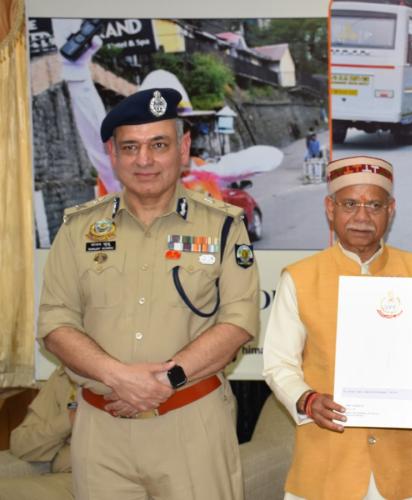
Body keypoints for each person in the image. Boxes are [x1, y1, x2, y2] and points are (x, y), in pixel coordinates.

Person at [38, 87, 260, 500]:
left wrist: (166, 379)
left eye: (158, 144)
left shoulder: (222, 226)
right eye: (131, 147)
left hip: (191, 426)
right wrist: (119, 377)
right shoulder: (77, 230)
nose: (144, 160)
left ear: (183, 147)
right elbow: (54, 322)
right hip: (101, 435)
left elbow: (239, 320)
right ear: (112, 153)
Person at [262, 155, 412, 500]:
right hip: (325, 471)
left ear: (391, 209)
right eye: (350, 204)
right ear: (330, 208)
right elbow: (278, 363)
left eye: (374, 205)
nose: (362, 217)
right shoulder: (300, 277)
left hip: (405, 473)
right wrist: (306, 399)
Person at [1, 367, 77, 500]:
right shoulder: (64, 375)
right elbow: (21, 445)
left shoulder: (122, 381)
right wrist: (68, 420)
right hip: (58, 469)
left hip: (98, 480)